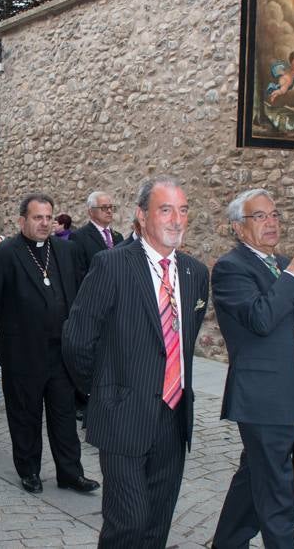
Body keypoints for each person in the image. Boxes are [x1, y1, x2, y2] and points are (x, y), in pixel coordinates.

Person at [63, 177, 209, 548]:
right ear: (142, 217)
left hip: (174, 419)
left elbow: (181, 340)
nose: (176, 219)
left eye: (183, 210)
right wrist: (103, 393)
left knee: (157, 525)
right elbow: (78, 340)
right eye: (165, 209)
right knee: (128, 521)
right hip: (122, 416)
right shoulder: (111, 265)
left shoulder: (195, 273)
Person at [210, 189, 294, 549]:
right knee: (279, 494)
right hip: (261, 397)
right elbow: (260, 318)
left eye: (275, 215)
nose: (271, 223)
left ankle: (227, 543)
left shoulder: (281, 264)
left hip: (290, 390)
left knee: (256, 477)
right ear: (238, 228)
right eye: (259, 216)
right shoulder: (231, 269)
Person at [0, 193, 98, 495]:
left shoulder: (66, 251)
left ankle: (70, 473)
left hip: (60, 352)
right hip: (22, 352)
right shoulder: (4, 254)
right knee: (25, 415)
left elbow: (77, 291)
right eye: (37, 217)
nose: (44, 223)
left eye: (48, 217)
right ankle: (29, 470)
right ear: (22, 221)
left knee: (64, 416)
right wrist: (17, 326)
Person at [70, 191, 124, 276]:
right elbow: (79, 272)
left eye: (111, 207)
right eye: (104, 208)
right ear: (91, 211)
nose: (109, 211)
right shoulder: (79, 237)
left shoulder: (118, 237)